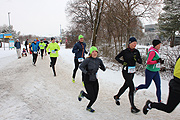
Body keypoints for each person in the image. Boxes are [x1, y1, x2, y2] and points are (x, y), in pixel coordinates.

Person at [113, 37, 142, 113]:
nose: (135, 45)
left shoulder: (136, 52)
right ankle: (133, 107)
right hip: (126, 71)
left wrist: (137, 59)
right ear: (130, 43)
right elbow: (116, 57)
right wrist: (122, 62)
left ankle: (117, 96)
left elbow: (140, 61)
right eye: (133, 43)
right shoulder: (125, 51)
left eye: (136, 43)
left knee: (126, 85)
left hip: (132, 72)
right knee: (131, 87)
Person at [78, 46, 106, 113]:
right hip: (87, 80)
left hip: (94, 80)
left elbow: (104, 68)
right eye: (93, 52)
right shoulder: (87, 60)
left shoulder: (99, 60)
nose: (94, 53)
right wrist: (86, 72)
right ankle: (83, 94)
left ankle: (88, 107)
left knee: (95, 96)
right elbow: (80, 66)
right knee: (91, 96)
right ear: (90, 53)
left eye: (96, 51)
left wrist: (102, 67)